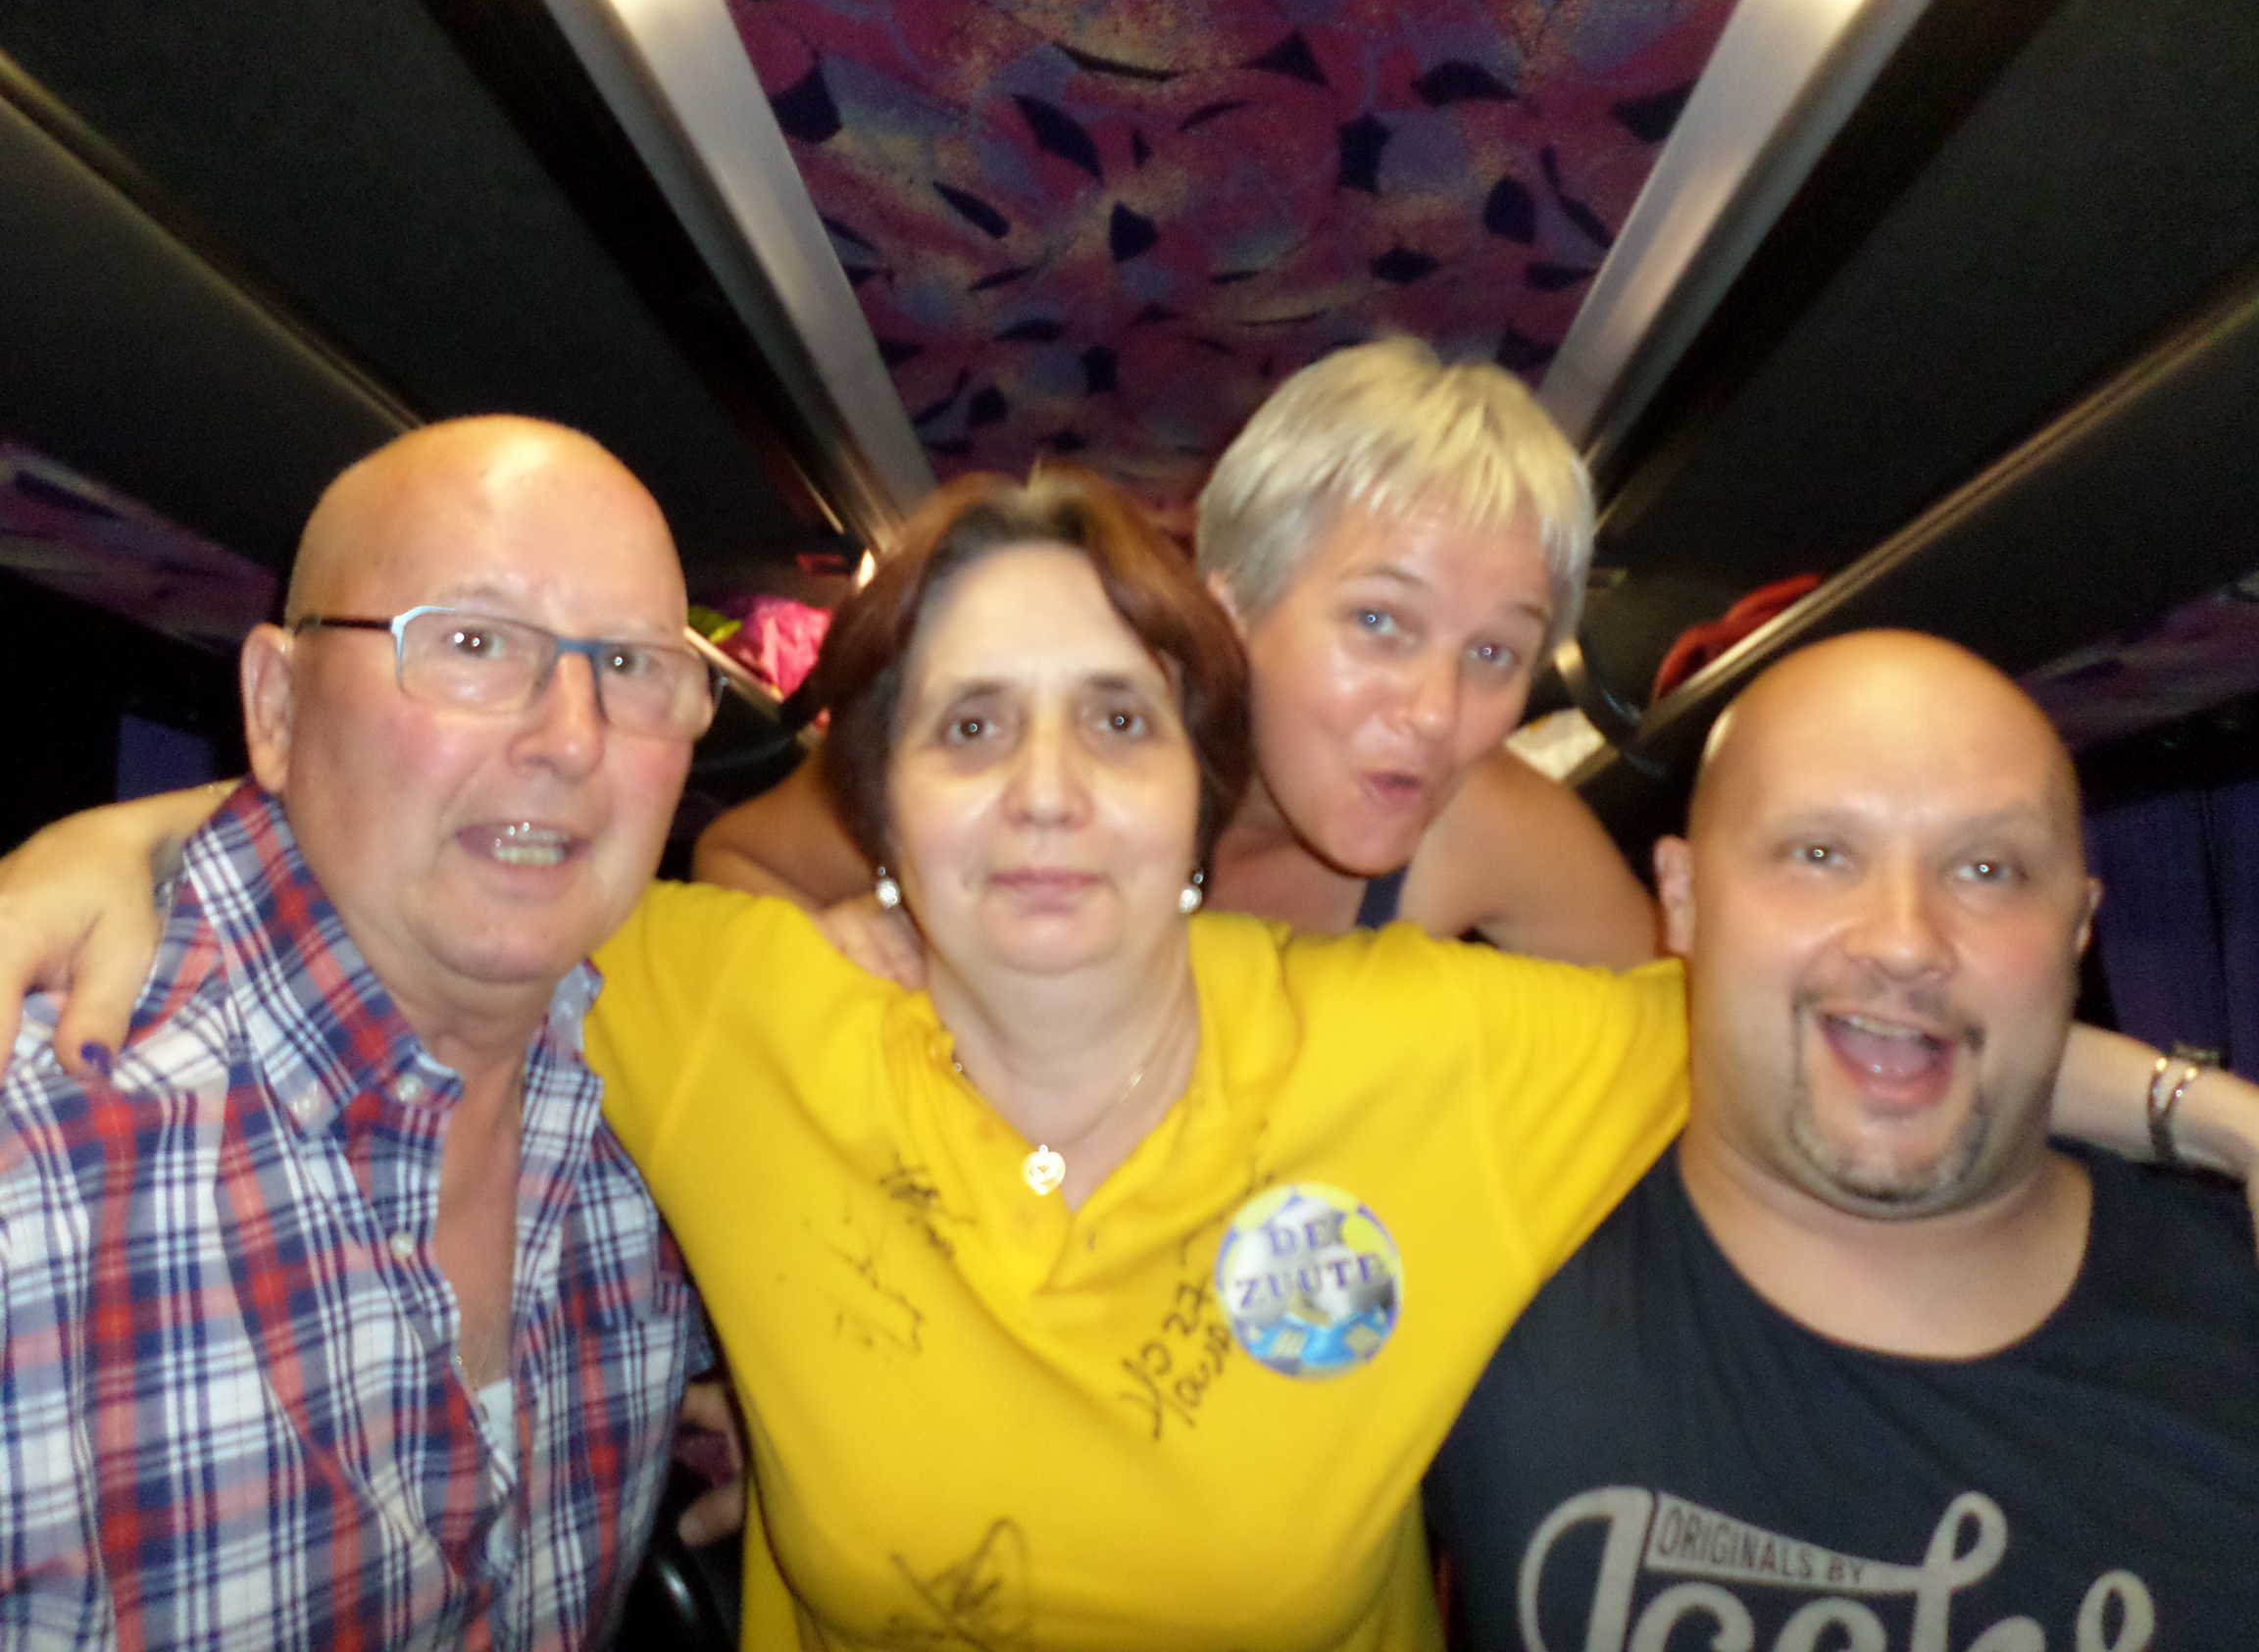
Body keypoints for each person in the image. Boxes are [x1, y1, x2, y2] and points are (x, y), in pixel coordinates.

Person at [3, 482, 2252, 1651]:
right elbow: (470, 853)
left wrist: (2213, 1114)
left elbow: (1844, 1002)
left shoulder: (1441, 1048)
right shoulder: (720, 1004)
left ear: (1202, 793)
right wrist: (153, 830)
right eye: (971, 728)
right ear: (884, 808)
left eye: (1115, 720)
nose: (1051, 792)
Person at [0, 419, 710, 1647]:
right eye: (473, 643)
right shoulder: (36, 1165)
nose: (572, 738)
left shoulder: (681, 1089)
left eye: (630, 663)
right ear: (275, 706)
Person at [1425, 632, 2259, 1649]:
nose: (1904, 940)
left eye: (1987, 869)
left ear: (2077, 931)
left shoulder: (2235, 1313)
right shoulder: (1483, 1267)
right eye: (1820, 855)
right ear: (1682, 899)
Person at [694, 337, 1659, 967]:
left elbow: (1674, 1035)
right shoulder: (1031, 752)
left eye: (1494, 654)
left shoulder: (1488, 830)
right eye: (1378, 623)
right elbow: (736, 860)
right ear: (1228, 609)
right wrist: (845, 970)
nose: (1436, 713)